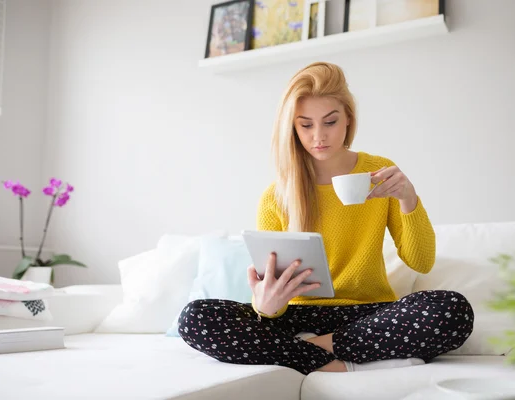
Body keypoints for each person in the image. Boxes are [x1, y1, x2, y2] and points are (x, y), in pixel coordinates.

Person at [178, 62, 474, 375]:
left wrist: (408, 199)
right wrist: (265, 306)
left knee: (452, 310)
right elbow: (272, 305)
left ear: (348, 118)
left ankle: (314, 351)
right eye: (306, 125)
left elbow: (422, 261)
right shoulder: (275, 196)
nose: (318, 136)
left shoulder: (379, 173)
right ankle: (346, 362)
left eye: (330, 122)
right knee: (196, 316)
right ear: (292, 128)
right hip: (297, 318)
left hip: (367, 316)